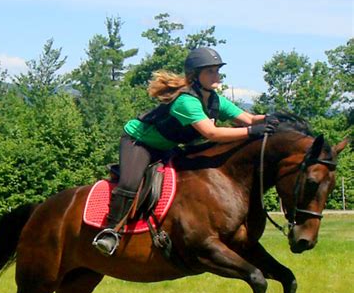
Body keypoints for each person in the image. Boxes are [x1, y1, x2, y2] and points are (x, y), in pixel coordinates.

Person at [92, 47, 277, 256]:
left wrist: (272, 118)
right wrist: (252, 132)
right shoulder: (186, 101)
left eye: (217, 70)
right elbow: (212, 134)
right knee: (130, 183)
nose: (216, 75)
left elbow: (250, 118)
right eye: (210, 71)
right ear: (195, 76)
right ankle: (110, 232)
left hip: (167, 147)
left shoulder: (215, 100)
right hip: (139, 142)